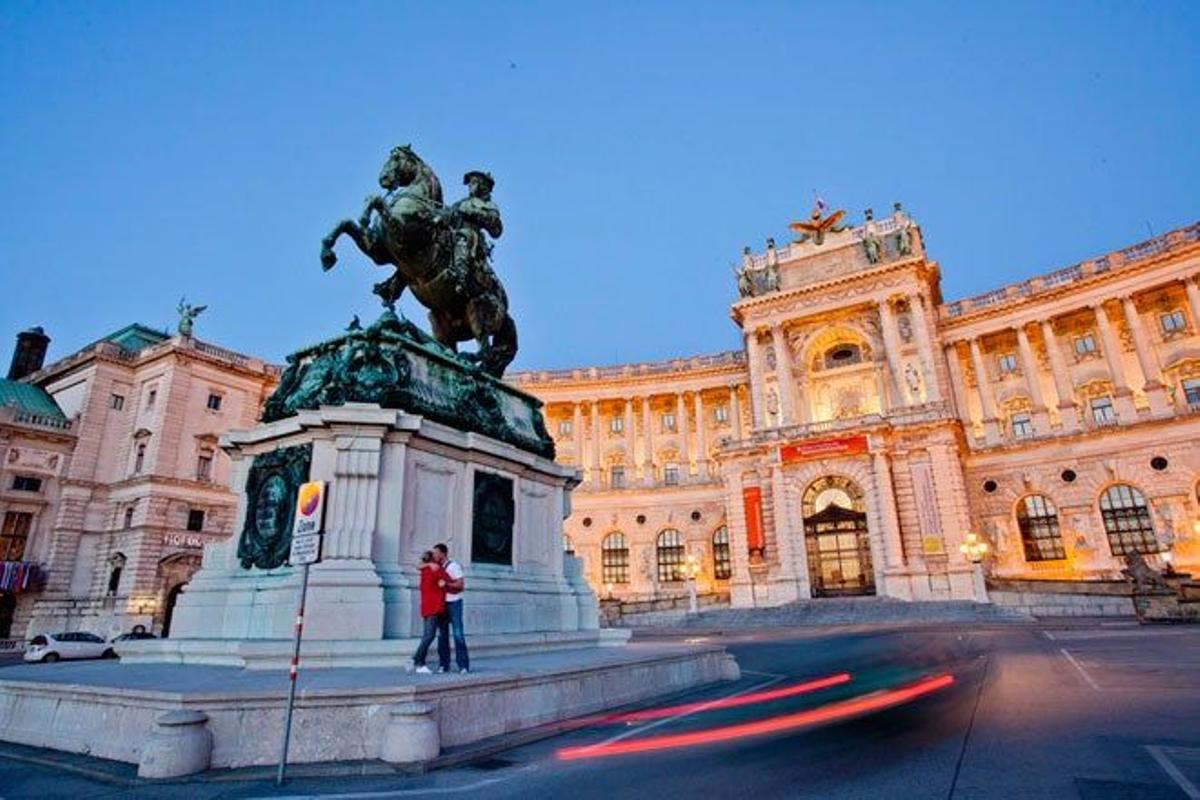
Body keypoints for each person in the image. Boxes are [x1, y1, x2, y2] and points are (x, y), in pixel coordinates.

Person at [433, 542, 469, 673]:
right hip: (442, 603)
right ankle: (443, 664)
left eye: (437, 553)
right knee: (442, 635)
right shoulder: (436, 567)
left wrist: (446, 583)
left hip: (454, 602)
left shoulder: (453, 566)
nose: (435, 555)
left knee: (458, 633)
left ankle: (463, 665)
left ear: (443, 553)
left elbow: (460, 585)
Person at [412, 551, 449, 674]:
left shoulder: (424, 570)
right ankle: (417, 661)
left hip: (426, 606)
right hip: (434, 607)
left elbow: (418, 566)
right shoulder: (436, 569)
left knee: (427, 635)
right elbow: (449, 581)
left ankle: (417, 662)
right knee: (430, 635)